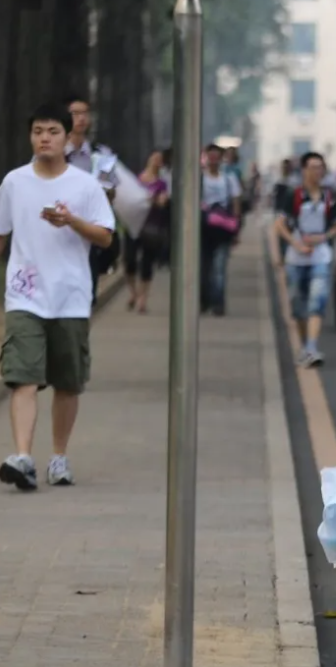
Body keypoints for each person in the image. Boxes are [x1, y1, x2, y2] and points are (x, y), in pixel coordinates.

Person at [0, 103, 116, 491]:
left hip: (70, 296)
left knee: (67, 382)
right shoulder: (14, 182)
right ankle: (22, 456)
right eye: (37, 132)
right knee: (22, 377)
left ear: (68, 137)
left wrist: (72, 221)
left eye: (52, 132)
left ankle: (58, 457)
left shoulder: (85, 186)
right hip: (24, 295)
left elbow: (105, 236)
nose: (44, 139)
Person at [274, 152, 336, 367]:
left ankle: (311, 347)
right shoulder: (293, 195)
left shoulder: (329, 196)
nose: (317, 172)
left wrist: (323, 237)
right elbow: (279, 225)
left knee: (316, 302)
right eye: (312, 167)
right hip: (296, 258)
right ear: (303, 170)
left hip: (321, 256)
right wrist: (296, 244)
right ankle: (305, 346)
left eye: (320, 167)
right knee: (297, 306)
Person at [64, 93, 119, 304]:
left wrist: (103, 194)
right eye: (75, 113)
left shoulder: (101, 154)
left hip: (89, 234)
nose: (80, 118)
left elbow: (112, 191)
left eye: (84, 113)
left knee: (86, 297)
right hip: (59, 232)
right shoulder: (53, 153)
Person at [124, 148, 170, 314]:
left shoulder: (162, 183)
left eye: (160, 159)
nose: (157, 161)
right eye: (154, 158)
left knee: (147, 262)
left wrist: (153, 199)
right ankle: (133, 292)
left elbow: (162, 202)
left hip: (151, 226)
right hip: (133, 224)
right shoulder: (137, 180)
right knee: (129, 260)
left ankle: (143, 298)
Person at [200, 144, 243, 316]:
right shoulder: (199, 178)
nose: (213, 160)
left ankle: (218, 303)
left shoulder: (229, 178)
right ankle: (204, 300)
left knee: (219, 269)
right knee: (203, 267)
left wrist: (236, 229)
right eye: (210, 157)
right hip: (203, 228)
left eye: (216, 157)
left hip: (223, 229)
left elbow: (236, 202)